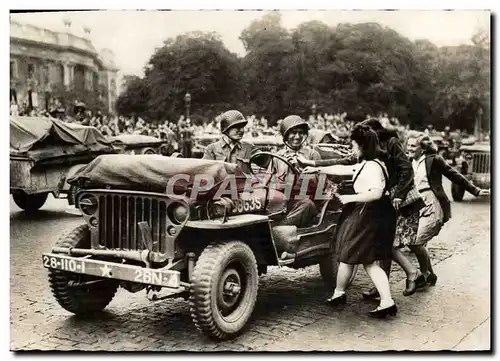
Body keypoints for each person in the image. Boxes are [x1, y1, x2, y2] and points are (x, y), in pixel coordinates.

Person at [303, 124, 398, 318]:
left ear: (362, 146)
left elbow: (376, 193)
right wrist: (316, 167)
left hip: (369, 214)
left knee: (361, 259)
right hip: (370, 213)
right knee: (355, 256)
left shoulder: (372, 167)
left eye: (353, 144)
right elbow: (343, 168)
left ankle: (385, 301)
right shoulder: (369, 163)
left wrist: (350, 198)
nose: (352, 148)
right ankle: (340, 293)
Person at [402, 133, 490, 285]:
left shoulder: (434, 160)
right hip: (416, 204)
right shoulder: (409, 160)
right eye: (408, 145)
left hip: (433, 204)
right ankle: (430, 274)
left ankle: (423, 274)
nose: (409, 149)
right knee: (413, 241)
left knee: (416, 242)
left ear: (422, 149)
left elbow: (454, 175)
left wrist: (475, 190)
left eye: (413, 146)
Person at [273, 115, 322, 228]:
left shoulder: (312, 155)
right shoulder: (277, 156)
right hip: (283, 201)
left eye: (301, 133)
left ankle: (280, 229)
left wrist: (299, 170)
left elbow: (320, 186)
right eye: (293, 133)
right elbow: (270, 182)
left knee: (307, 205)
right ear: (285, 135)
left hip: (304, 201)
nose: (297, 137)